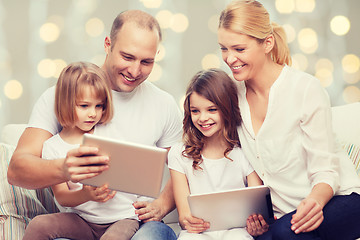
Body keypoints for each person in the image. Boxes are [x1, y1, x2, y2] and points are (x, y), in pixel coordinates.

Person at [8, 10, 182, 240]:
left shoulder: (164, 104)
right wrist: (64, 169)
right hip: (81, 220)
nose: (135, 70)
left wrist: (162, 204)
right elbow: (17, 170)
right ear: (107, 44)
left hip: (136, 223)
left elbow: (184, 165)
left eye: (147, 61)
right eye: (127, 57)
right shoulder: (62, 97)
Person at [217, 0, 360, 239]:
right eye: (224, 48)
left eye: (239, 49)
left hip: (337, 199)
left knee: (284, 232)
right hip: (284, 215)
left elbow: (326, 171)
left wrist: (314, 201)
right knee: (266, 235)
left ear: (267, 43)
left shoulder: (305, 89)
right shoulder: (232, 95)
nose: (230, 58)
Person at [22, 61, 143, 240]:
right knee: (38, 225)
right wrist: (86, 194)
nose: (93, 113)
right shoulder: (52, 147)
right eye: (84, 106)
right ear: (65, 104)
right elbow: (62, 197)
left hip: (122, 218)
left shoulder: (110, 132)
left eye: (99, 106)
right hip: (83, 221)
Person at [168, 68, 264, 240]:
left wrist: (257, 225)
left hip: (237, 231)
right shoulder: (179, 154)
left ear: (226, 109)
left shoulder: (244, 152)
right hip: (197, 234)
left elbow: (257, 208)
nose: (202, 118)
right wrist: (188, 222)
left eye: (211, 110)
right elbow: (184, 216)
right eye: (195, 111)